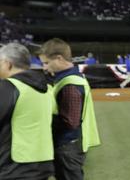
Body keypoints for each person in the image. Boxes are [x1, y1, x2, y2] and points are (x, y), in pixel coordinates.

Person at [39, 38, 101, 180]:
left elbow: (70, 122)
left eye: (46, 63)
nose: (44, 67)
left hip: (67, 145)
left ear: (59, 58)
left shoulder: (70, 83)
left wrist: (42, 122)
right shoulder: (68, 78)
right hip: (70, 144)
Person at [0, 43, 55, 180]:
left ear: (8, 64)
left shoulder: (8, 87)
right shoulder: (48, 88)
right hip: (43, 161)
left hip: (14, 165)